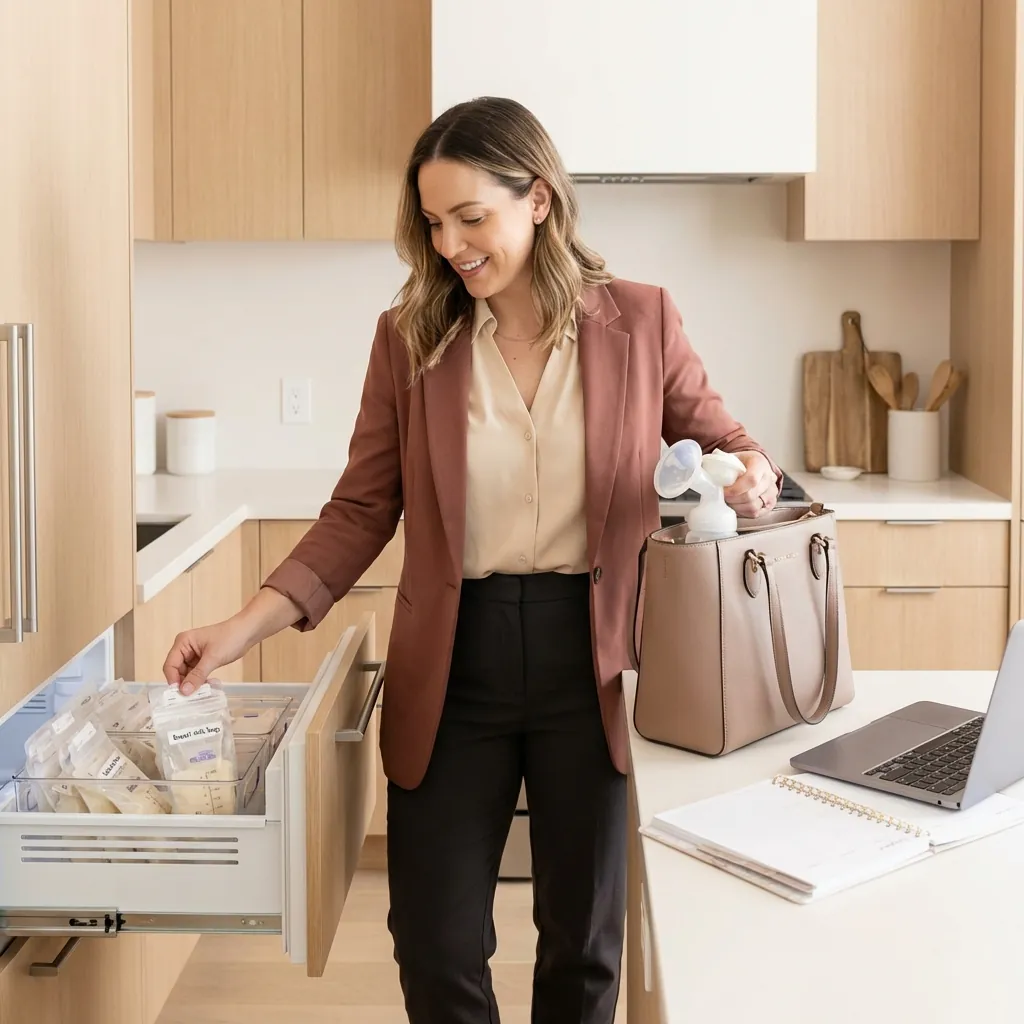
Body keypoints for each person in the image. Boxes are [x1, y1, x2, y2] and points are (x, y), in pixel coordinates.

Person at [162, 95, 781, 1024]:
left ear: (537, 199)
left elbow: (733, 443)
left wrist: (752, 479)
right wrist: (239, 630)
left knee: (584, 948)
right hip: (456, 664)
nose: (451, 245)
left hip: (598, 659)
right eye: (434, 222)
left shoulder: (641, 320)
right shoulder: (410, 338)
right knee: (436, 943)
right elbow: (361, 509)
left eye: (471, 217)